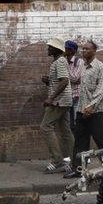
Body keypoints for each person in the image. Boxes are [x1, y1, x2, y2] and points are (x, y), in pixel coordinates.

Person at [64, 41, 103, 179]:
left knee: (100, 140)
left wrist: (92, 106)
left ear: (95, 50)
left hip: (96, 111)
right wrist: (82, 108)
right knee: (80, 142)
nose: (84, 51)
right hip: (81, 110)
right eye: (83, 49)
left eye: (87, 49)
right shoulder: (82, 66)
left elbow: (102, 89)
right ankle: (78, 169)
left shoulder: (100, 67)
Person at [41, 37, 74, 174]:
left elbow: (65, 81)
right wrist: (49, 81)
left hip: (59, 101)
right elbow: (59, 81)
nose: (48, 49)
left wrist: (51, 98)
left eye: (50, 47)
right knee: (65, 131)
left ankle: (57, 160)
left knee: (45, 126)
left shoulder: (59, 61)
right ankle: (74, 160)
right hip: (63, 100)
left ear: (57, 49)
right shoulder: (59, 61)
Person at [64, 40, 85, 132]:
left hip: (77, 95)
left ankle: (79, 142)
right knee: (67, 123)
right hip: (66, 96)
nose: (64, 50)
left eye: (66, 48)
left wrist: (65, 67)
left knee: (77, 121)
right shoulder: (63, 61)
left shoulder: (79, 61)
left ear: (72, 51)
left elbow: (75, 78)